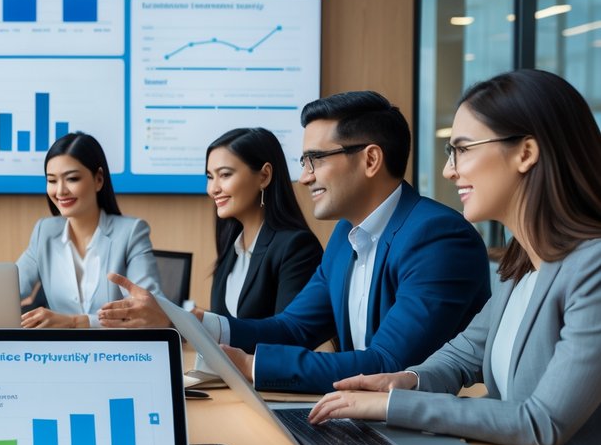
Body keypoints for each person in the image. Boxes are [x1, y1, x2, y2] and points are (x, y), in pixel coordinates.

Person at [100, 91, 491, 394]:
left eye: (314, 160)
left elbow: (387, 363)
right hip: (370, 420)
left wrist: (253, 367)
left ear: (371, 160)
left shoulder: (438, 236)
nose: (304, 177)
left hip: (434, 437)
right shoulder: (345, 235)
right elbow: (291, 328)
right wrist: (182, 319)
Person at [309, 70, 601, 445]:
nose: (450, 171)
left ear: (526, 152)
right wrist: (403, 381)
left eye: (462, 150)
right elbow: (465, 355)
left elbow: (541, 422)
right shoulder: (518, 265)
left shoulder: (593, 268)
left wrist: (395, 406)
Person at [18, 132, 161, 328]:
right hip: (60, 355)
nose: (60, 191)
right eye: (52, 181)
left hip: (119, 354)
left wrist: (76, 322)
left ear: (98, 179)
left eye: (72, 179)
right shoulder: (44, 232)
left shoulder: (131, 232)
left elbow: (148, 312)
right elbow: (8, 291)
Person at [206, 127, 322, 319]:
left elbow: (288, 336)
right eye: (210, 177)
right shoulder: (231, 249)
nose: (213, 189)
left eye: (225, 175)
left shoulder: (296, 247)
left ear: (264, 176)